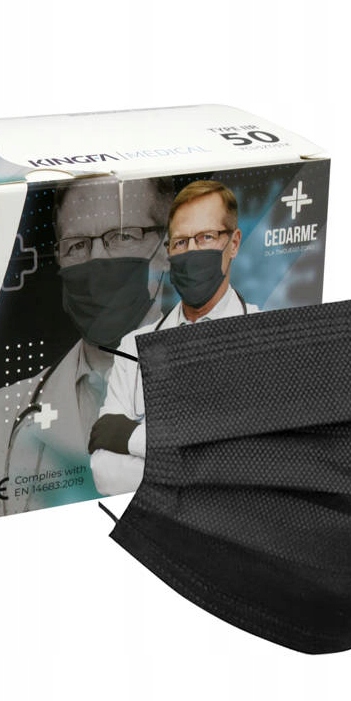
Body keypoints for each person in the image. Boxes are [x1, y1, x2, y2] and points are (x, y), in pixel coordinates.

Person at [0, 175, 173, 524]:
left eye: (122, 237)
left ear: (169, 247)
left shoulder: (223, 386)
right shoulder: (1, 417)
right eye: (77, 245)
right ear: (60, 260)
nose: (96, 260)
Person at [89, 180, 259, 495]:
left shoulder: (268, 337)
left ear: (234, 243)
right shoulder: (132, 347)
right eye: (180, 242)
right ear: (168, 251)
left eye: (206, 237)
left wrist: (131, 437)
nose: (191, 251)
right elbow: (105, 472)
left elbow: (250, 466)